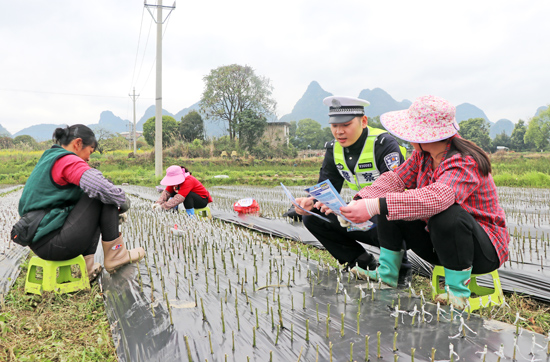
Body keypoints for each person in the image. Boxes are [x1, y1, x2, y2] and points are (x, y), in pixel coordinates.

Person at [332, 95, 509, 309]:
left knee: (447, 214)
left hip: (482, 251)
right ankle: (387, 273)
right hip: (441, 245)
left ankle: (457, 293)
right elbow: (395, 179)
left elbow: (438, 197)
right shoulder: (422, 156)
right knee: (391, 205)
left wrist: (375, 205)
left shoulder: (464, 160)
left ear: (424, 136)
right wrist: (360, 200)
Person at [294, 96, 411, 285]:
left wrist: (362, 206)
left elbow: (394, 190)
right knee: (313, 215)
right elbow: (326, 184)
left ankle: (400, 269)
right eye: (334, 126)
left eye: (346, 125)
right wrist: (311, 201)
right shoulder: (334, 149)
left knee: (386, 212)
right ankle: (360, 260)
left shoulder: (384, 144)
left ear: (363, 121)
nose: (339, 132)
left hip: (394, 217)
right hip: (360, 212)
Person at [18, 124, 145, 281]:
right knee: (104, 190)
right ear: (78, 144)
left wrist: (110, 217)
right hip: (54, 244)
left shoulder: (50, 157)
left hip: (41, 243)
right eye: (89, 151)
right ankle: (116, 255)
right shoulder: (68, 160)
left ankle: (87, 267)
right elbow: (101, 187)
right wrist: (123, 202)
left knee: (93, 195)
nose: (89, 158)